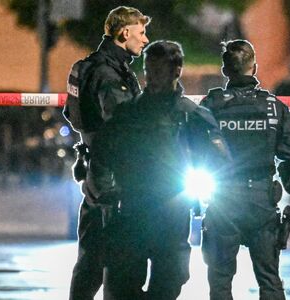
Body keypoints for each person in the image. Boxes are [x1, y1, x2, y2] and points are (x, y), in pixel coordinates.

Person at [89, 40, 229, 300]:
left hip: (172, 211)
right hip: (132, 209)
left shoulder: (190, 114)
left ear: (176, 70)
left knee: (169, 282)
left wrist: (207, 188)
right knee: (123, 286)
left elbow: (219, 160)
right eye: (148, 69)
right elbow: (101, 153)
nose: (151, 77)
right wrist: (104, 189)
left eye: (158, 70)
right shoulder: (129, 113)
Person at [199, 39, 290, 300]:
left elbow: (193, 146)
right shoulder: (272, 106)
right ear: (254, 67)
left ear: (225, 70)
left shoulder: (211, 104)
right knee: (269, 278)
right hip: (261, 199)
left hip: (223, 197)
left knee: (221, 278)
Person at [62, 6, 150, 300]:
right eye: (141, 33)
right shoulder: (109, 74)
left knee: (91, 257)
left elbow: (71, 114)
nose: (145, 39)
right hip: (114, 176)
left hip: (94, 169)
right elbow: (124, 127)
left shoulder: (86, 67)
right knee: (115, 260)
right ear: (125, 33)